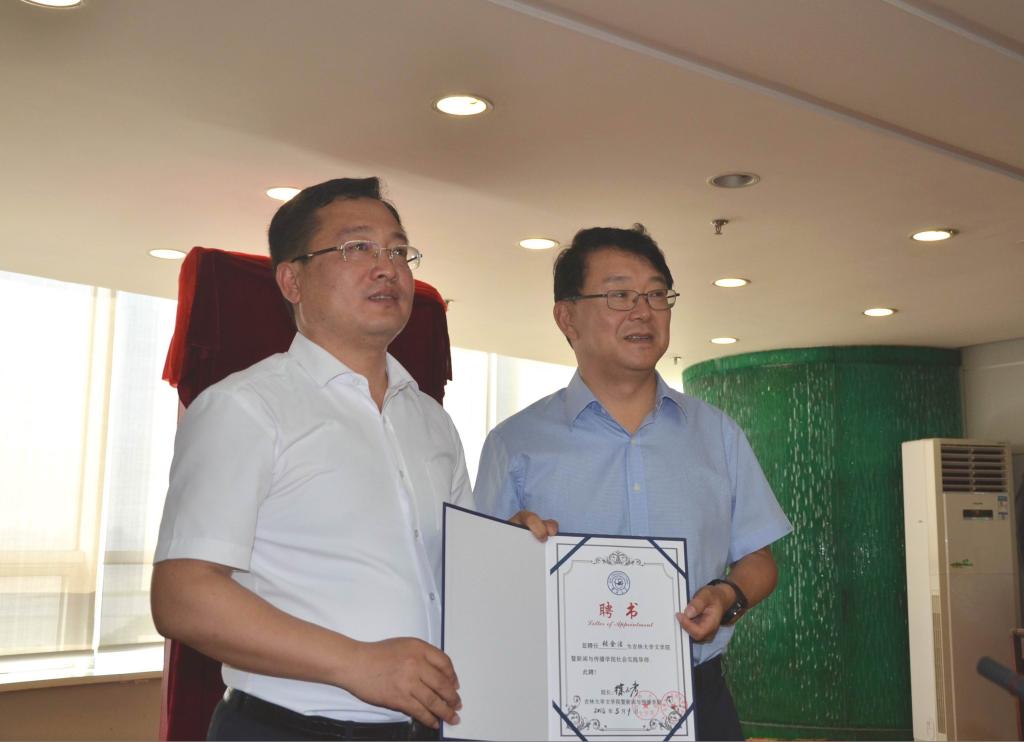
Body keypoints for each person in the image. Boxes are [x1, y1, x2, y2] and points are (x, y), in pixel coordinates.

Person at [151, 177, 473, 741]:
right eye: (358, 247)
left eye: (398, 250)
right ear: (292, 280)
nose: (387, 267)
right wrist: (357, 663)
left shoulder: (431, 420)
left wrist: (517, 548)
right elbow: (182, 595)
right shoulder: (246, 406)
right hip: (288, 729)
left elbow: (459, 572)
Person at [474, 224, 793, 741]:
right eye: (619, 295)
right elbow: (481, 584)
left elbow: (760, 559)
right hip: (561, 702)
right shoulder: (516, 443)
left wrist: (727, 595)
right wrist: (511, 550)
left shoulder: (718, 434)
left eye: (656, 294)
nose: (644, 312)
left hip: (698, 698)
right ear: (567, 316)